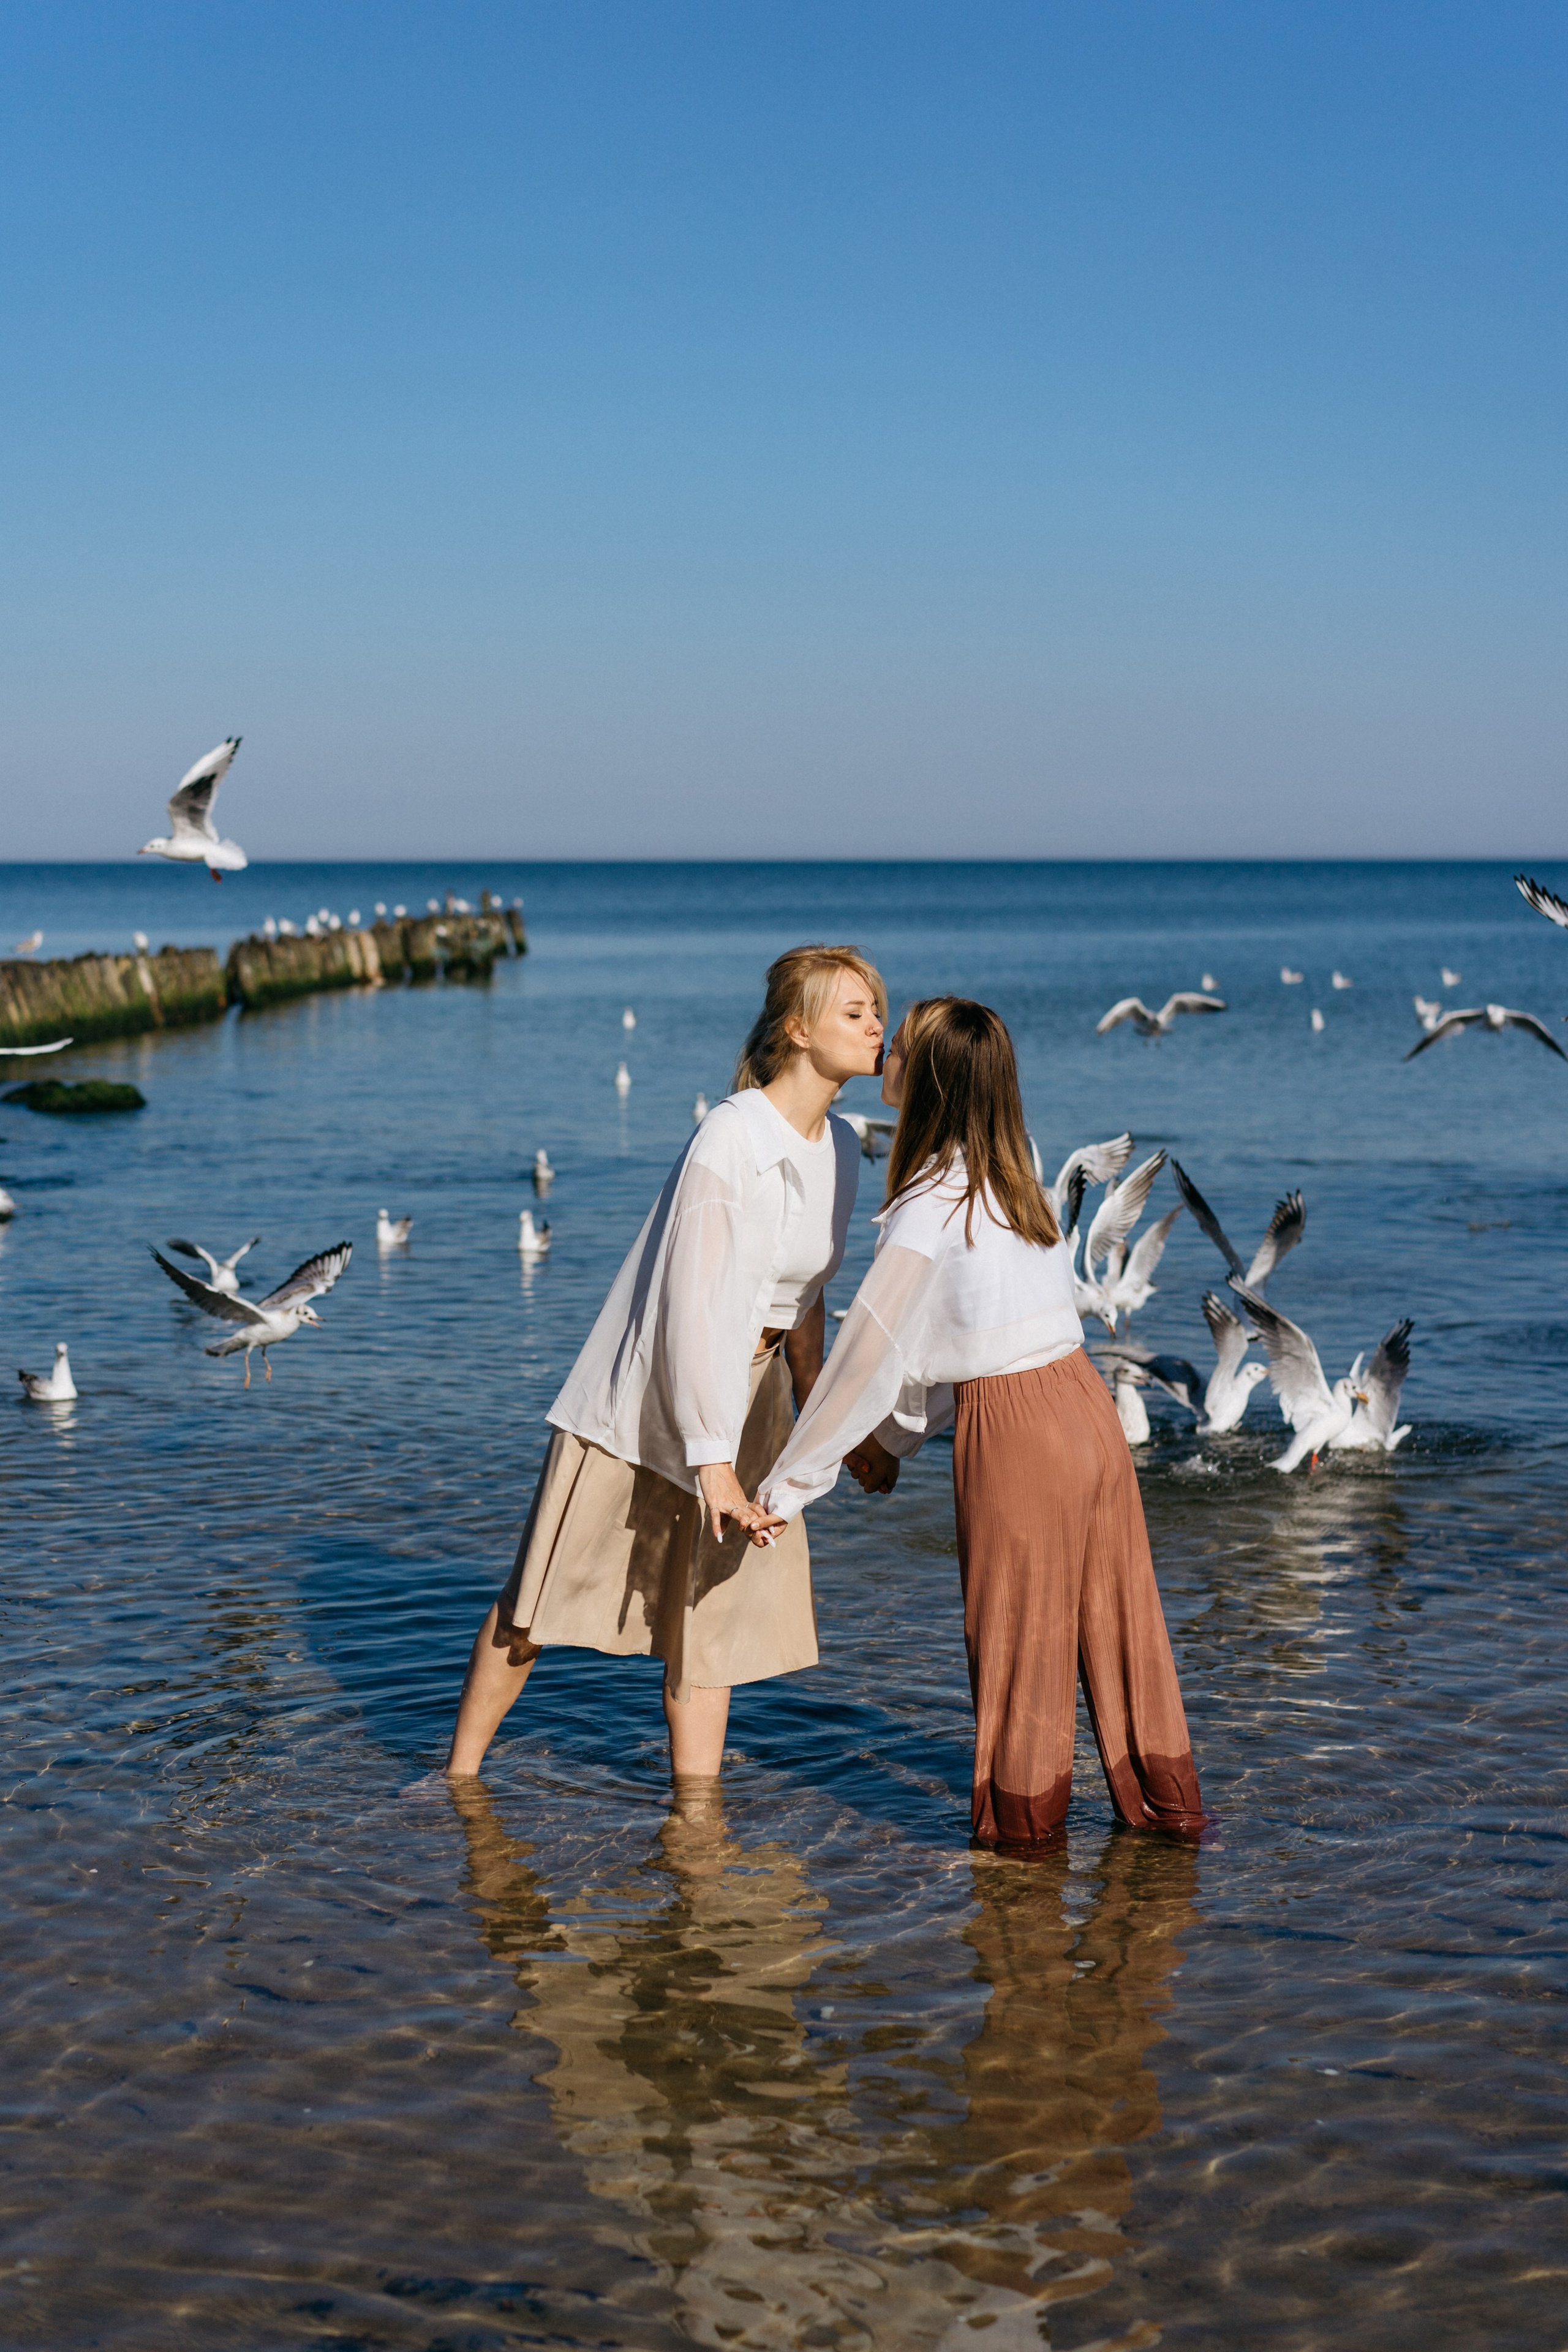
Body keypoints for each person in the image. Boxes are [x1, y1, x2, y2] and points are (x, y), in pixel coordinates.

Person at [756, 997, 1205, 1848]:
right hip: (1087, 1413)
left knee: (1019, 1655)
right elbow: (966, 1343)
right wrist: (888, 1445)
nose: (882, 1050)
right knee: (1124, 1640)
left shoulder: (928, 1206)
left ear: (922, 1081)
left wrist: (786, 1488)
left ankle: (1021, 1859)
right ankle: (1169, 1826)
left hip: (1021, 1437)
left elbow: (872, 1353)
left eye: (898, 1045)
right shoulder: (1014, 1185)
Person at [445, 944, 887, 1782]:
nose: (879, 1027)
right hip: (648, 1394)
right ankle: (456, 1780)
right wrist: (710, 1463)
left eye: (877, 1010)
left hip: (752, 1399)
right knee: (539, 1599)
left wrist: (819, 1414)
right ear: (798, 1031)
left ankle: (696, 1819)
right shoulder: (731, 1138)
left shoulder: (839, 1146)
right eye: (856, 1012)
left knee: (709, 1619)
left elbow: (806, 1295)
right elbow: (694, 1311)